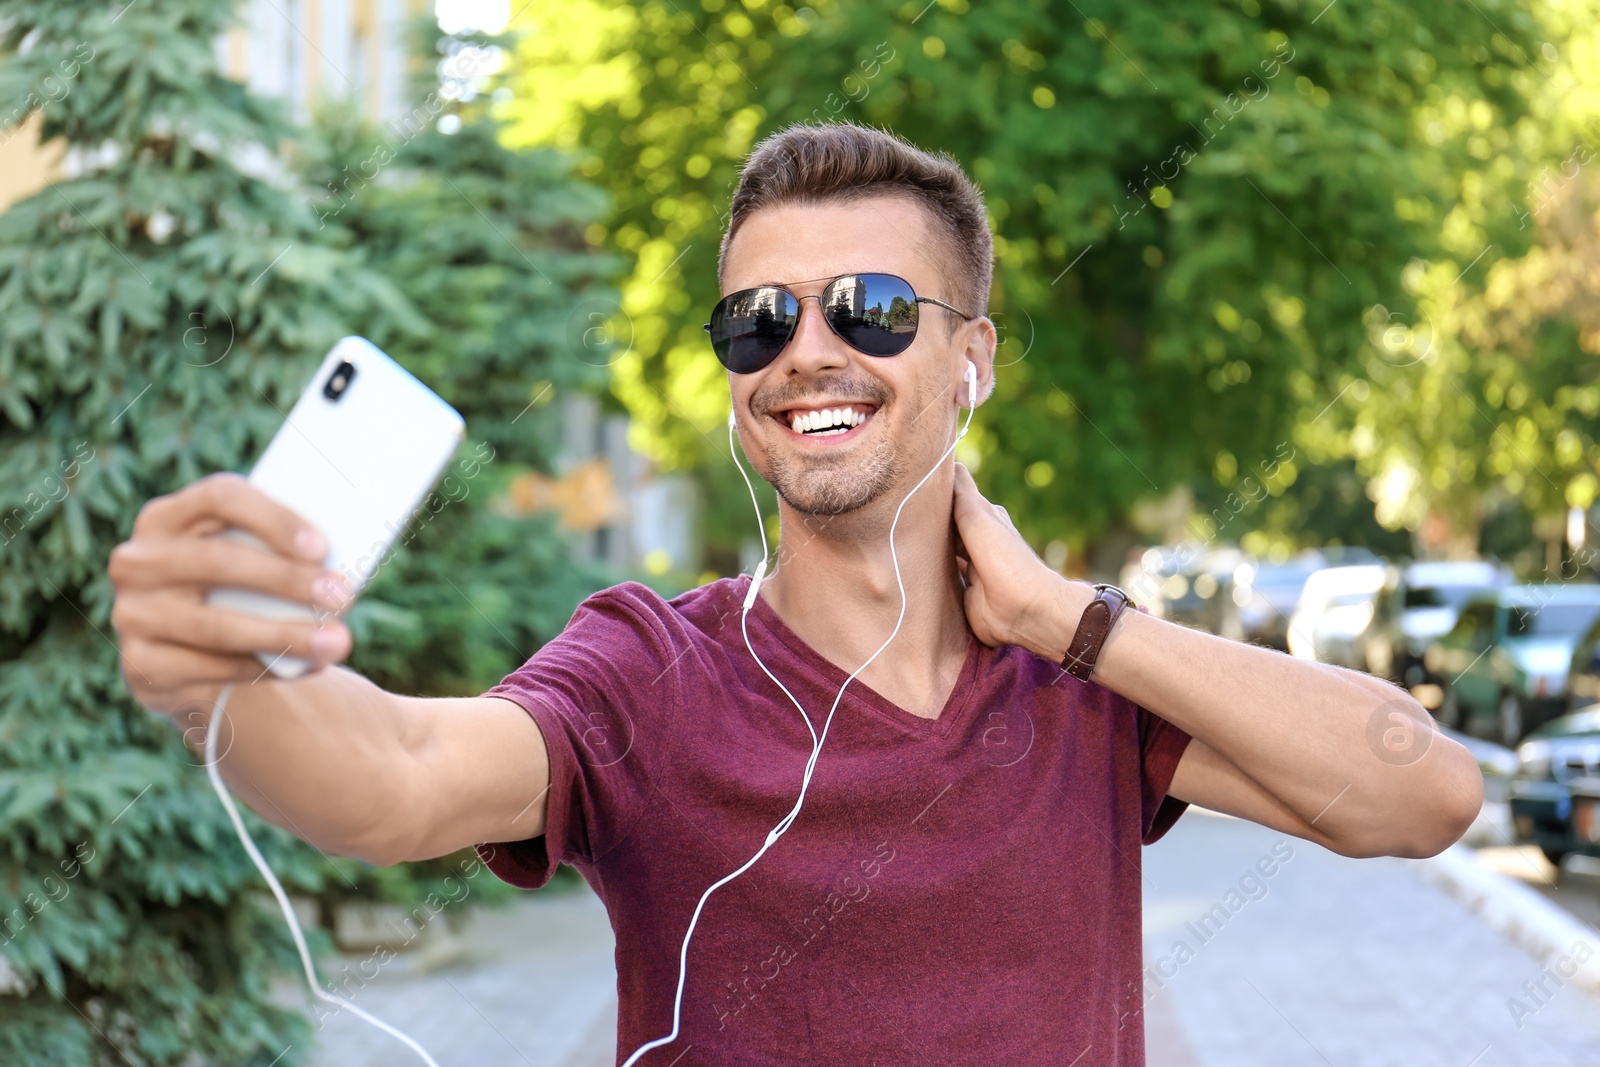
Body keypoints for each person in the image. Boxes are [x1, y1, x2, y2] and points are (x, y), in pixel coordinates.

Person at [109, 122, 1483, 1065]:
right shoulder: (649, 673)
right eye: (758, 320)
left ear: (976, 358)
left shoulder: (1086, 686)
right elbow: (399, 775)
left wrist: (1074, 621)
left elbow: (1423, 797)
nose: (806, 353)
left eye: (870, 308)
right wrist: (229, 682)